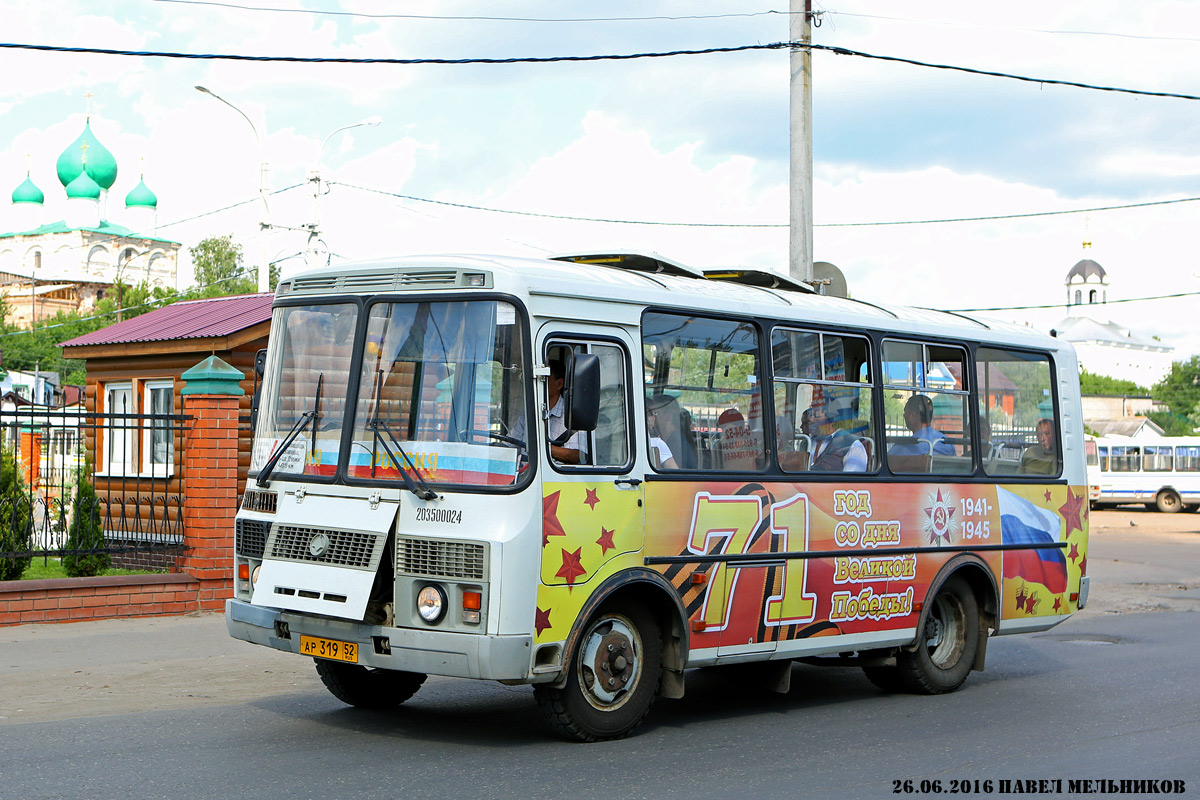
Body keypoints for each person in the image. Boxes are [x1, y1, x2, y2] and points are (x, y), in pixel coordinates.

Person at [510, 359, 587, 465]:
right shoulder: (530, 413)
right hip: (526, 475)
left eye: (543, 379)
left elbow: (575, 455)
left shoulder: (572, 415)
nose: (537, 385)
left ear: (559, 384)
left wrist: (539, 447)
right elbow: (511, 442)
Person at [803, 402, 868, 472]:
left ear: (832, 419)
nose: (811, 419)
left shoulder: (852, 444)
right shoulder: (806, 442)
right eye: (810, 415)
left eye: (817, 415)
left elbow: (851, 480)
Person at [889, 394, 955, 457]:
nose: (904, 415)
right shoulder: (946, 442)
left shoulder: (903, 448)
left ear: (912, 415)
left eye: (905, 412)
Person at [645, 393, 695, 469]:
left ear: (669, 416)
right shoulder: (666, 439)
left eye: (656, 413)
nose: (654, 417)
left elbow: (676, 474)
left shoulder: (674, 442)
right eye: (652, 413)